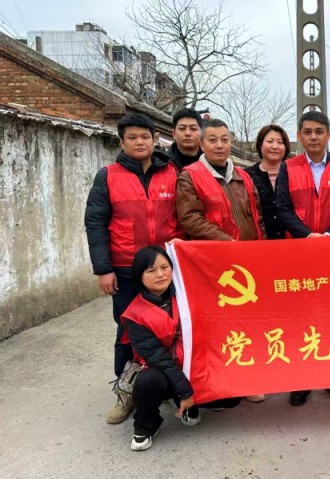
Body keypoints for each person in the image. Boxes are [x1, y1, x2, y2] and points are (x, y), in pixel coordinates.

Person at [84, 113, 184, 425]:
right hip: (126, 267)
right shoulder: (108, 176)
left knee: (176, 325)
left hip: (169, 267)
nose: (140, 142)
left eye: (145, 136)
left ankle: (173, 385)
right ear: (122, 142)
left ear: (155, 139)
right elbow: (95, 223)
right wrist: (104, 269)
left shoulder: (172, 172)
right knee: (128, 331)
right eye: (132, 137)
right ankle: (126, 392)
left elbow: (185, 215)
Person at [276, 110, 330, 406]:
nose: (313, 137)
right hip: (299, 253)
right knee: (301, 317)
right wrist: (307, 236)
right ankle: (302, 379)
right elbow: (283, 208)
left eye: (319, 131)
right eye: (308, 132)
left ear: (328, 135)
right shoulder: (288, 167)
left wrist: (329, 235)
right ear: (299, 136)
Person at [123, 246, 242, 451]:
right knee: (148, 382)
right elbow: (159, 359)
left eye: (165, 267)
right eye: (151, 270)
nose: (160, 274)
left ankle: (192, 405)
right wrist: (185, 392)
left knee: (233, 395)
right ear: (139, 276)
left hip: (196, 363)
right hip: (163, 370)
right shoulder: (135, 314)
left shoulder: (186, 296)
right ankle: (146, 425)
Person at [176, 118, 265, 241]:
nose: (219, 145)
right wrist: (227, 241)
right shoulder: (189, 176)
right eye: (212, 140)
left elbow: (258, 215)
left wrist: (262, 241)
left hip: (250, 248)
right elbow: (191, 219)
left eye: (224, 140)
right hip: (217, 249)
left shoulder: (243, 176)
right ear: (202, 145)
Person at [244, 124, 291, 240]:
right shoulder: (246, 176)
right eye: (270, 141)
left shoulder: (294, 174)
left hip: (291, 242)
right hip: (258, 242)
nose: (275, 146)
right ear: (260, 145)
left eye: (280, 142)